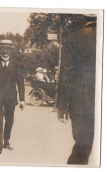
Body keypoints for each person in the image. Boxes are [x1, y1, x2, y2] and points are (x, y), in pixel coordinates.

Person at [57, 15, 96, 165]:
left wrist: (61, 105)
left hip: (83, 103)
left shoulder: (73, 39)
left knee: (82, 148)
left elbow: (66, 75)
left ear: (82, 19)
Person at [0, 40, 25, 156]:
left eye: (7, 49)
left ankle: (6, 140)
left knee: (10, 120)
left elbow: (20, 82)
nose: (4, 51)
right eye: (2, 49)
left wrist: (22, 99)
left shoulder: (16, 64)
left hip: (11, 98)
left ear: (10, 50)